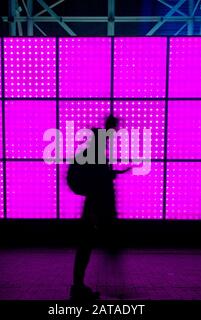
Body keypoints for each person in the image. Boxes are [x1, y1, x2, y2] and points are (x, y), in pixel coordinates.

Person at [70, 115, 130, 301]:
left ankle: (79, 286)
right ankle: (80, 287)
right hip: (97, 209)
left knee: (87, 247)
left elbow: (94, 178)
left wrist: (110, 174)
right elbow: (98, 181)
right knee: (90, 247)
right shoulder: (94, 156)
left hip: (94, 208)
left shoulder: (89, 155)